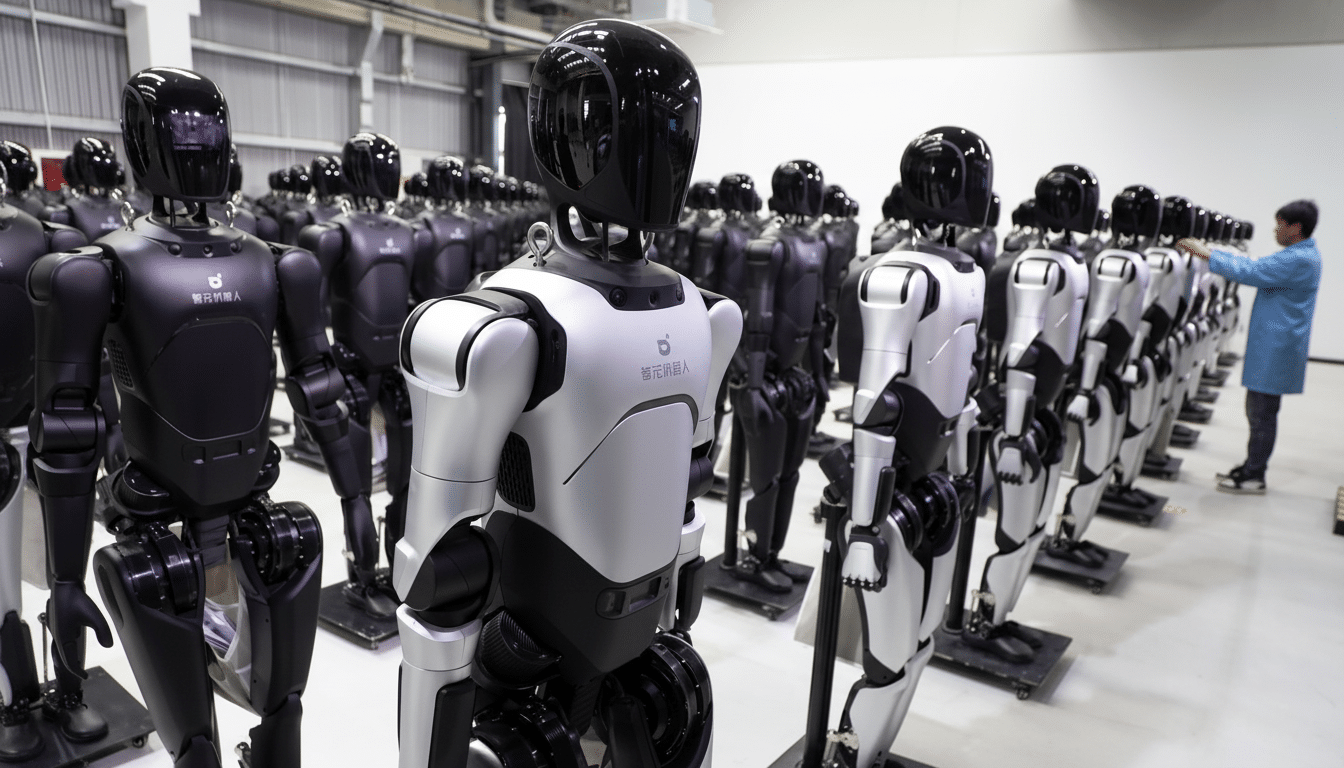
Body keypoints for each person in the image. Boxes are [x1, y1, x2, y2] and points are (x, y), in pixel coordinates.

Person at [1176, 200, 1322, 493]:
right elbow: (1255, 265)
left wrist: (1207, 254)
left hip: (1277, 346)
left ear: (1295, 227)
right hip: (1275, 343)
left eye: (1280, 224)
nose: (1276, 230)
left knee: (1262, 414)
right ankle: (1252, 466)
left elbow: (1252, 272)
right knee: (1258, 411)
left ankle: (1255, 475)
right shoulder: (1299, 255)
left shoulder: (1300, 259)